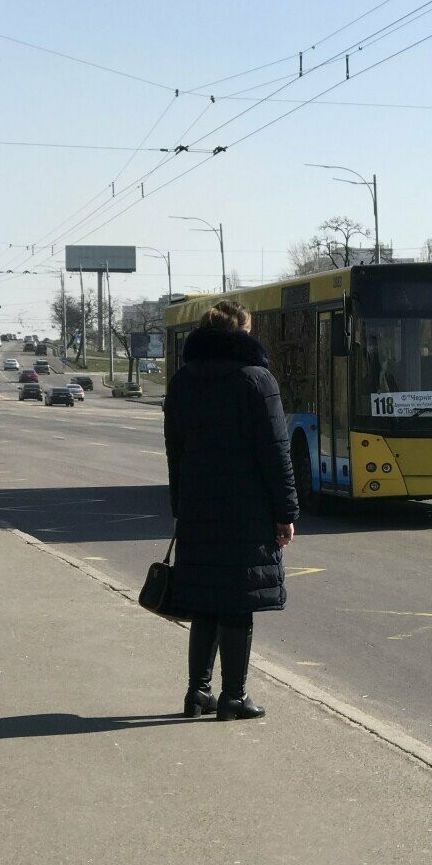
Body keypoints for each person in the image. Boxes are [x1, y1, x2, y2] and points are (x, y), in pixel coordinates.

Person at [164, 300, 299, 721]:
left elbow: (176, 451)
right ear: (241, 333)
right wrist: (286, 511)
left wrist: (181, 505)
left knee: (205, 602)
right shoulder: (257, 380)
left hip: (198, 509)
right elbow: (276, 453)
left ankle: (196, 693)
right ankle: (233, 696)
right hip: (247, 512)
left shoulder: (183, 381)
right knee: (238, 603)